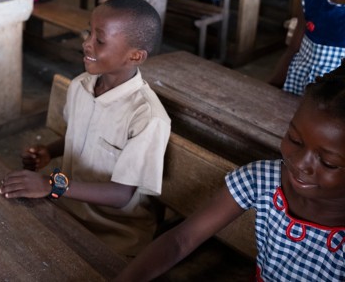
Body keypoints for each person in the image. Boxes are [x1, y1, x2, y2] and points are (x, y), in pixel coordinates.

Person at [116, 65, 345, 282]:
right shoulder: (264, 179)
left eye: (329, 163)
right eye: (294, 139)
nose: (300, 163)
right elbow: (180, 240)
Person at [0, 0, 170, 257]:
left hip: (114, 234)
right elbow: (80, 134)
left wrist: (51, 185)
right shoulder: (81, 85)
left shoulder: (146, 117)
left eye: (99, 40)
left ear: (135, 56)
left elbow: (121, 194)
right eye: (88, 32)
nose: (86, 43)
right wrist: (49, 151)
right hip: (65, 208)